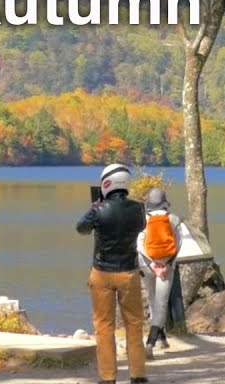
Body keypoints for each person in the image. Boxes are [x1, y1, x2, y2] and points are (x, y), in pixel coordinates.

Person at [77, 163, 149, 384]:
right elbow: (141, 225)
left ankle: (108, 377)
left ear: (106, 183)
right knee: (134, 324)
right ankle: (138, 375)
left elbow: (81, 228)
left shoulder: (98, 210)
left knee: (104, 325)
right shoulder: (138, 209)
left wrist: (94, 208)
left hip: (102, 272)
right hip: (129, 272)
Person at [135, 187, 183, 355]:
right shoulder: (174, 219)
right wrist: (167, 265)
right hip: (166, 265)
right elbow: (179, 244)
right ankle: (151, 343)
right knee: (161, 303)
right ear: (165, 203)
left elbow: (139, 244)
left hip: (146, 265)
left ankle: (159, 339)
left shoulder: (143, 219)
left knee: (152, 299)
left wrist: (151, 265)